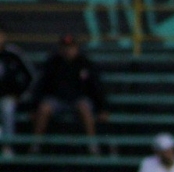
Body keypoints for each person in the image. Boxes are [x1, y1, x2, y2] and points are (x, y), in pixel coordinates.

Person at [31, 33, 108, 155]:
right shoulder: (53, 63)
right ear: (60, 48)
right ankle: (36, 144)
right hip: (57, 99)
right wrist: (34, 108)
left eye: (71, 47)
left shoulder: (84, 63)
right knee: (44, 108)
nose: (68, 50)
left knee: (85, 108)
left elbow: (96, 87)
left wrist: (102, 109)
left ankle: (92, 144)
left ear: (76, 48)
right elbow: (41, 87)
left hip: (78, 99)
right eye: (65, 47)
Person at [0, 24, 35, 158]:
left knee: (7, 108)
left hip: (7, 96)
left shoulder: (13, 53)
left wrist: (19, 95)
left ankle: (7, 146)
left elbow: (30, 77)